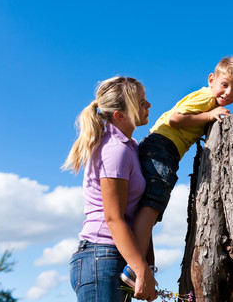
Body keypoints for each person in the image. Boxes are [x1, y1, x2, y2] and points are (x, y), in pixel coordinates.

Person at [120, 56, 233, 286]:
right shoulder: (206, 97)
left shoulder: (210, 99)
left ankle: (143, 264)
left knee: (148, 208)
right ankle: (134, 268)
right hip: (163, 147)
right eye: (225, 84)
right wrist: (209, 116)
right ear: (212, 79)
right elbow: (175, 118)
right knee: (151, 206)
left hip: (158, 146)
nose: (229, 93)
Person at [63, 77, 156, 301]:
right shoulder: (115, 150)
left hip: (112, 256)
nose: (148, 105)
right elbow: (114, 218)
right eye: (141, 102)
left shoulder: (130, 146)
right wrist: (140, 268)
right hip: (101, 257)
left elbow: (135, 211)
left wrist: (147, 265)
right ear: (120, 115)